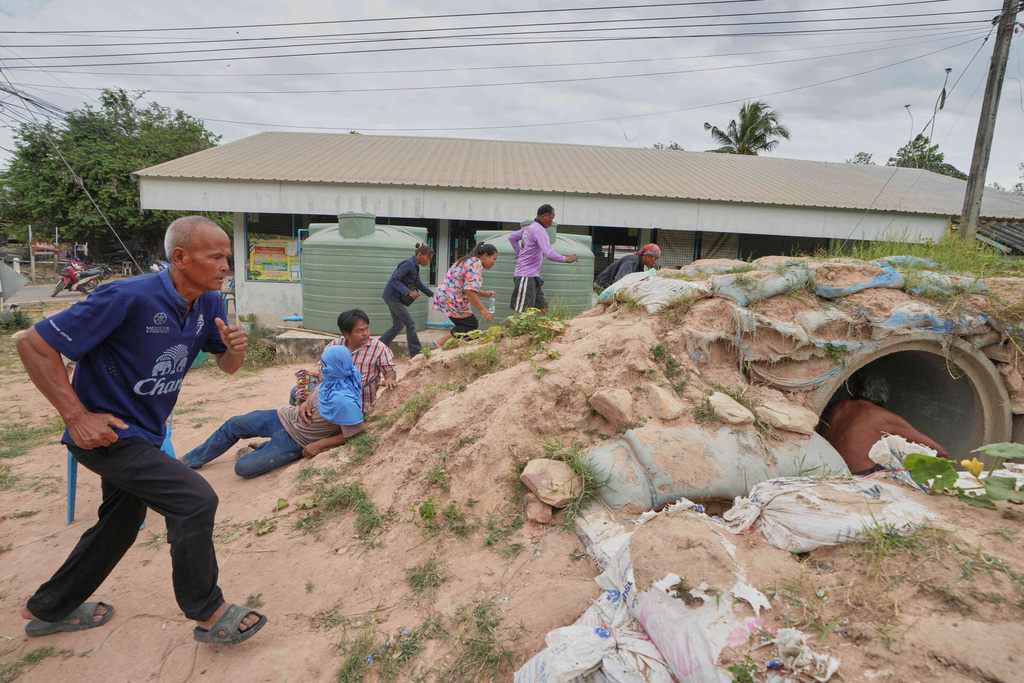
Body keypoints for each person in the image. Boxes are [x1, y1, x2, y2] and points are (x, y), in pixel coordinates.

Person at [15, 216, 266, 645]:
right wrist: (76, 417)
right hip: (107, 435)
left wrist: (236, 352)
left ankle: (49, 607)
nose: (226, 265)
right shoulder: (126, 296)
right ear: (181, 257)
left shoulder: (208, 303)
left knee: (120, 523)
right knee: (194, 499)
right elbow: (32, 344)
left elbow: (226, 366)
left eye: (228, 256)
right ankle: (208, 609)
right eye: (216, 256)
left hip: (147, 433)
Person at [184, 345, 364, 478]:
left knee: (243, 468)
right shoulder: (334, 375)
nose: (319, 366)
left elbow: (355, 432)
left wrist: (320, 444)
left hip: (296, 442)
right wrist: (304, 403)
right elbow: (317, 390)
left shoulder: (344, 401)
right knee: (234, 424)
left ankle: (265, 448)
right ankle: (190, 460)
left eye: (322, 363)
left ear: (332, 367)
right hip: (284, 417)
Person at [818, 374, 949, 475]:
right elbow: (940, 452)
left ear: (854, 389)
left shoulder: (833, 406)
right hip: (859, 474)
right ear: (885, 397)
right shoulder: (884, 416)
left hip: (823, 469)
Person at [320, 309, 398, 413]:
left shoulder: (378, 348)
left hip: (362, 408)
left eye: (367, 328)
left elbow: (389, 370)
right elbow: (322, 370)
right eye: (359, 331)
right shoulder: (333, 347)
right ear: (346, 333)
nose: (365, 333)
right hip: (334, 404)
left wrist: (389, 379)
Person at [507, 204, 578, 315]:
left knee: (543, 310)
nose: (552, 222)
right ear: (545, 215)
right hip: (526, 277)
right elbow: (548, 254)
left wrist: (521, 253)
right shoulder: (540, 231)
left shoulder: (529, 228)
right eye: (551, 218)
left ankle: (544, 331)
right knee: (521, 315)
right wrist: (566, 259)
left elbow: (512, 238)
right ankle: (504, 333)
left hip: (533, 277)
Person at [431, 242, 499, 348]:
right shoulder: (476, 264)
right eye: (494, 259)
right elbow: (469, 290)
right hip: (451, 298)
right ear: (485, 256)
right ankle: (440, 342)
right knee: (470, 324)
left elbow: (466, 286)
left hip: (444, 296)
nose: (494, 263)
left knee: (467, 327)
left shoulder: (467, 260)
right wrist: (482, 309)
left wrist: (484, 294)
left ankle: (455, 347)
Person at [379, 243, 434, 358]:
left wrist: (434, 296)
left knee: (398, 325)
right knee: (410, 323)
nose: (428, 262)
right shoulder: (408, 264)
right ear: (420, 255)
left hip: (393, 297)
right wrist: (408, 292)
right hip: (392, 296)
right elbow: (394, 280)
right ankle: (416, 354)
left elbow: (419, 284)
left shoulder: (414, 266)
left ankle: (377, 347)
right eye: (428, 258)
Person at [596, 243, 661, 288]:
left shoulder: (639, 265)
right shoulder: (632, 262)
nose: (655, 262)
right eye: (655, 259)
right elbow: (619, 281)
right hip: (602, 285)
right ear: (647, 256)